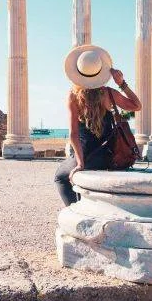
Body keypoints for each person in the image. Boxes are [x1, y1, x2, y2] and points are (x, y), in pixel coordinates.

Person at [54, 45, 142, 206]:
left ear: (78, 72)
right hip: (109, 156)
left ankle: (75, 211)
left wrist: (80, 163)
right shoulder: (109, 93)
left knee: (60, 176)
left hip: (87, 157)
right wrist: (122, 83)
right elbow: (137, 105)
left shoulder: (73, 96)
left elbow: (73, 134)